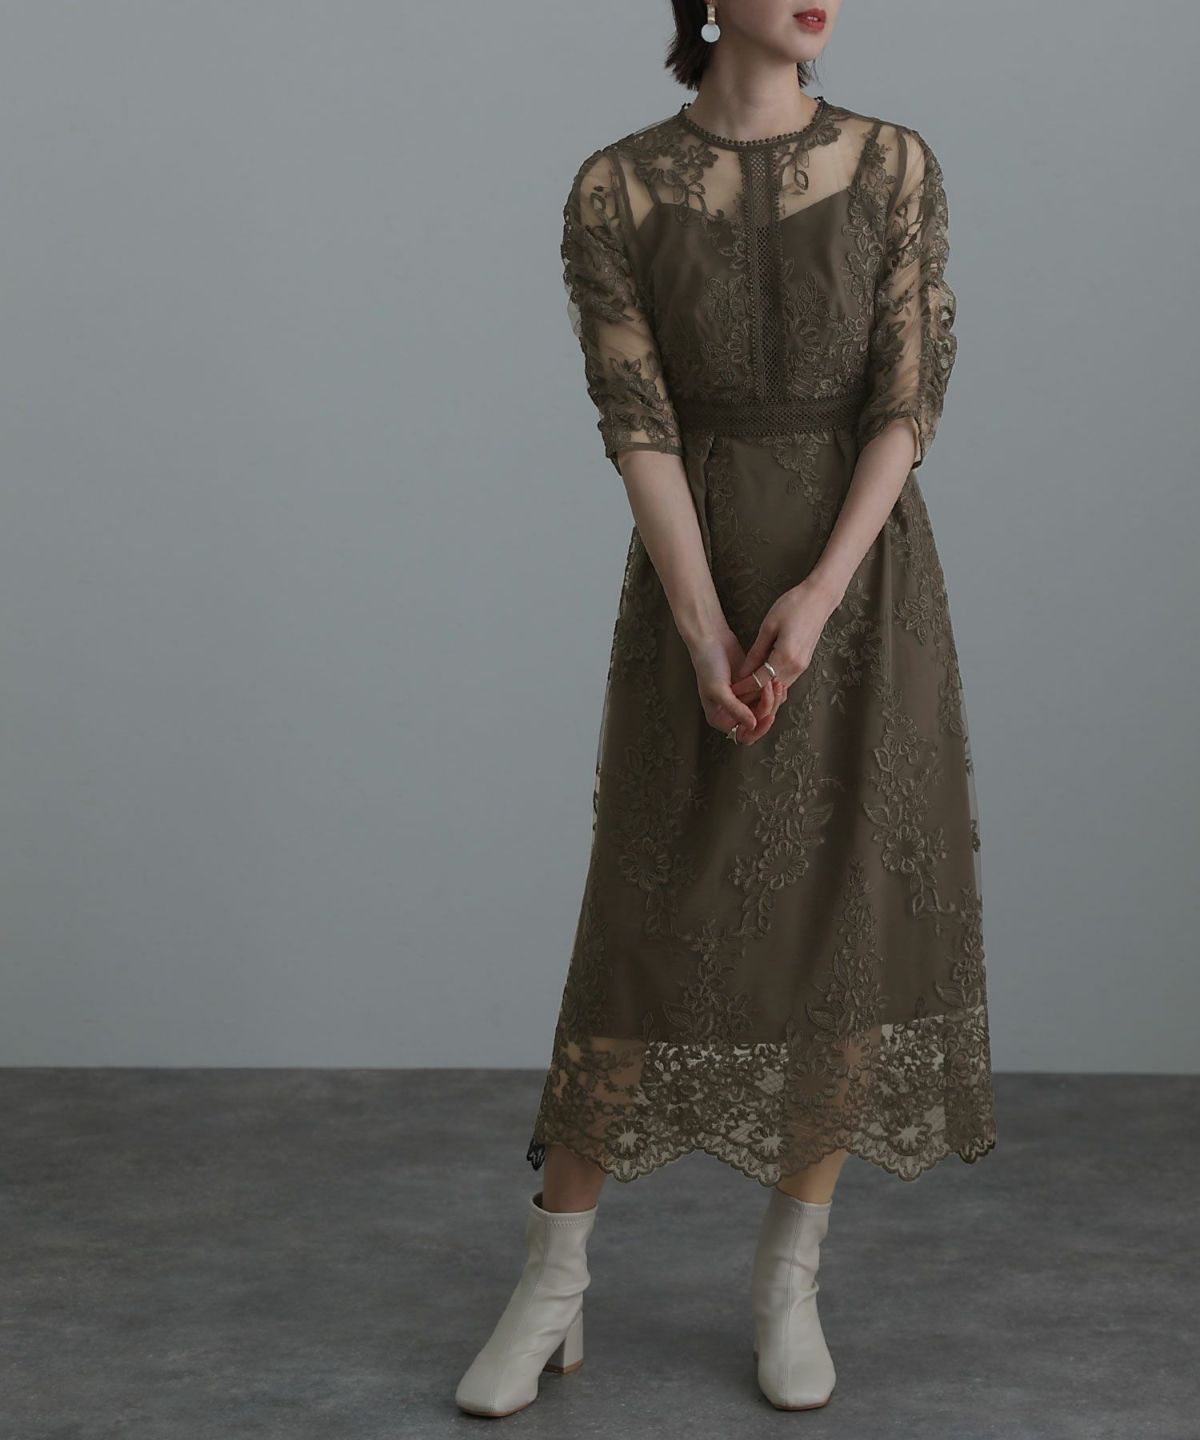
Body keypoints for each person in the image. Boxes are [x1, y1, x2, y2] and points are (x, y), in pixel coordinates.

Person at [455, 0, 996, 1417]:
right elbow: (635, 419)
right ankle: (554, 1281)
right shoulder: (615, 187)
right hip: (694, 582)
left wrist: (819, 595)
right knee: (644, 920)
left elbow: (906, 400)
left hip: (861, 591)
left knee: (844, 922)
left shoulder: (896, 164)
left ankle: (788, 1279)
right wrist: (705, 632)